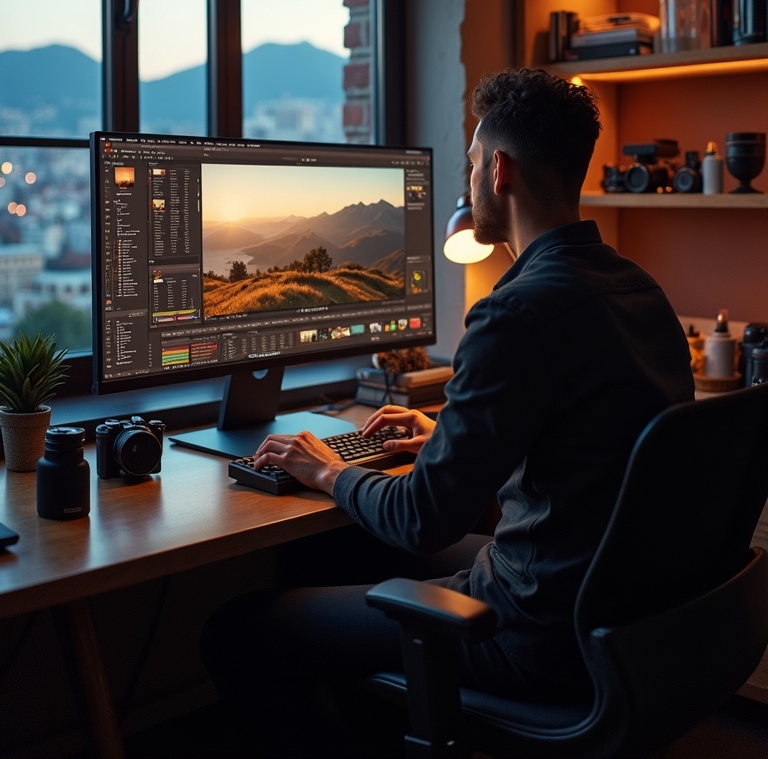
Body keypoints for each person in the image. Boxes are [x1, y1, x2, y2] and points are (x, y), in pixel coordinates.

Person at [200, 67, 695, 757]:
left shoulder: (515, 311)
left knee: (237, 631)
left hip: (531, 631)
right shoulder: (636, 286)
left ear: (498, 170)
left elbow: (422, 518)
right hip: (615, 610)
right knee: (332, 545)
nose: (466, 179)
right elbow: (591, 448)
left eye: (469, 161)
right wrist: (449, 434)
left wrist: (325, 471)